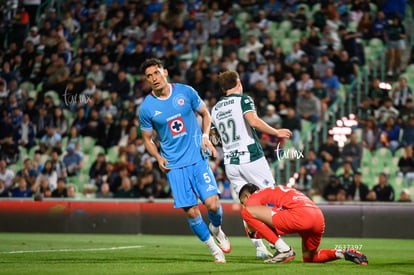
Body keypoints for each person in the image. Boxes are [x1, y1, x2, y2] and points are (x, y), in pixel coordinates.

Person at [139, 58, 230, 263]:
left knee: (213, 205)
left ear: (165, 72)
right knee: (191, 210)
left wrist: (205, 137)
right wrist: (158, 157)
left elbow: (205, 114)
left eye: (156, 73)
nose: (154, 78)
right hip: (174, 165)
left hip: (197, 157)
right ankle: (214, 250)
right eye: (149, 76)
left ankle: (216, 228)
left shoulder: (185, 91)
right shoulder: (147, 108)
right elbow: (147, 139)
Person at [211, 70, 292, 259]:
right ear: (238, 82)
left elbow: (216, 139)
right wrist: (276, 132)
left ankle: (260, 248)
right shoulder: (243, 100)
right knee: (271, 200)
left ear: (223, 89)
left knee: (248, 206)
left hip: (231, 162)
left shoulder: (215, 109)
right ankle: (278, 244)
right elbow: (253, 121)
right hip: (252, 159)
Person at [239, 183, 368, 265]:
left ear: (246, 195)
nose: (243, 205)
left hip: (300, 215)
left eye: (242, 201)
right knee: (310, 258)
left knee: (246, 213)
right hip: (318, 216)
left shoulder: (254, 197)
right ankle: (342, 253)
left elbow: (251, 224)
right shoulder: (273, 191)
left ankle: (285, 250)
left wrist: (251, 233)